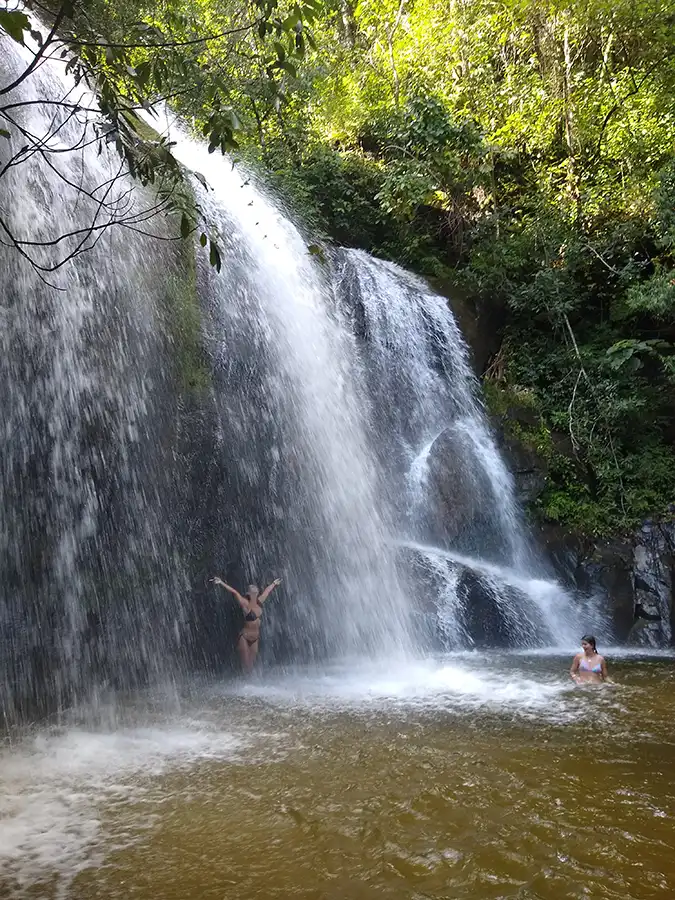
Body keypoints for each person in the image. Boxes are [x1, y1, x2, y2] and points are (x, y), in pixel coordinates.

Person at [210, 576, 282, 674]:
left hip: (255, 638)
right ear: (248, 593)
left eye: (256, 590)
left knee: (251, 665)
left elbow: (267, 591)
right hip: (244, 637)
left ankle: (249, 684)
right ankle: (242, 683)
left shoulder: (260, 601)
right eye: (252, 590)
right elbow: (234, 592)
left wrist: (274, 583)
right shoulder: (244, 603)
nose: (255, 591)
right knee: (246, 664)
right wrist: (221, 582)